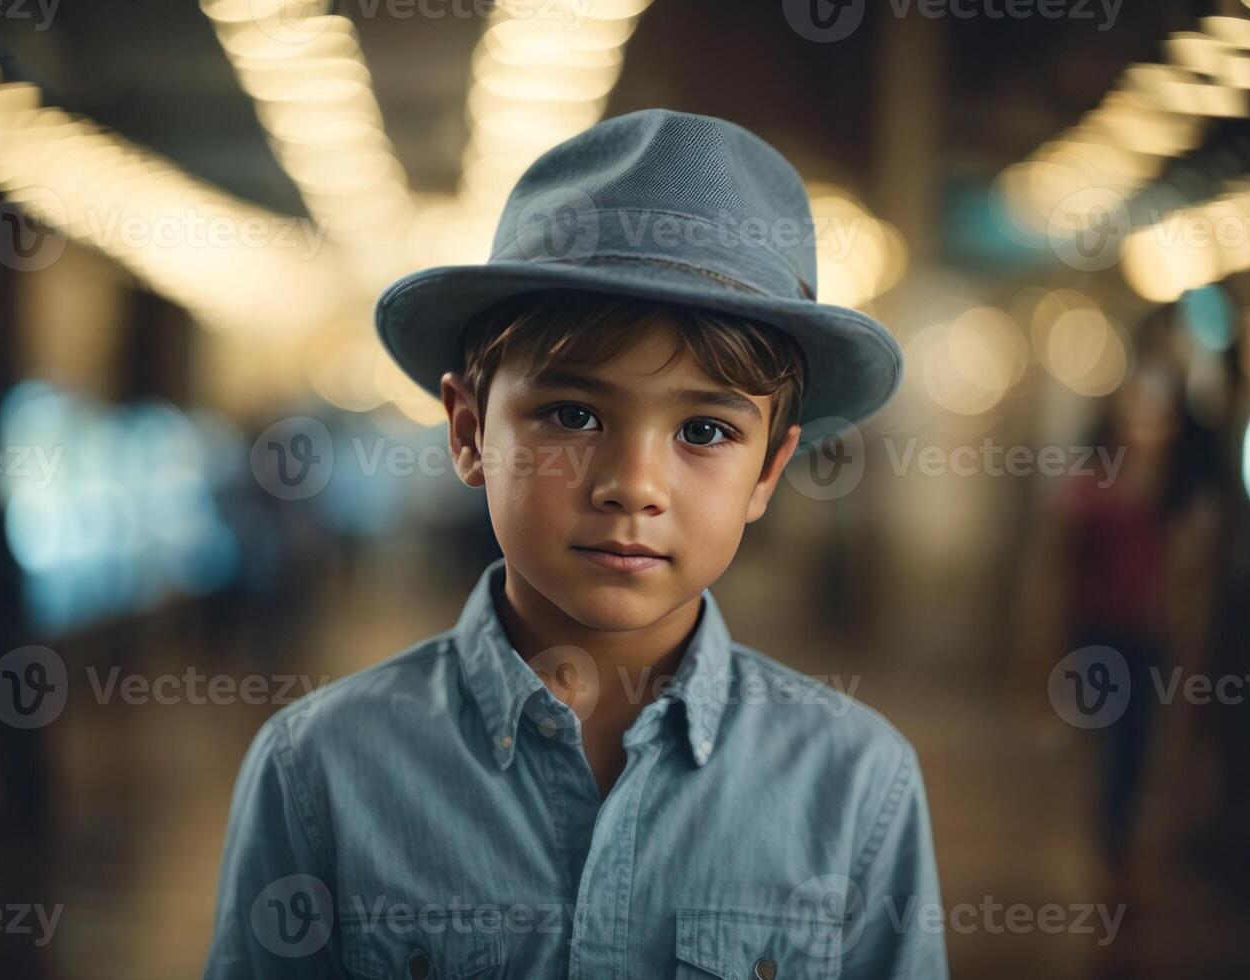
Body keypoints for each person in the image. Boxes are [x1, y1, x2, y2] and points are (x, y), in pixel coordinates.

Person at [204, 109, 947, 979]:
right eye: (572, 414)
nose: (632, 484)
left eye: (705, 431)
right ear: (470, 430)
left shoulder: (856, 783)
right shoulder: (319, 770)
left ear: (770, 472)